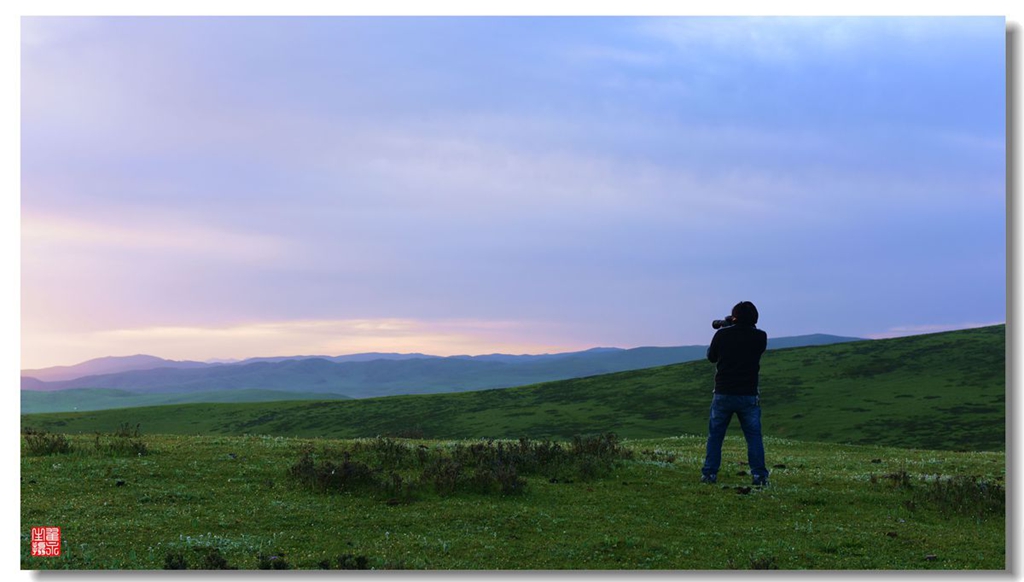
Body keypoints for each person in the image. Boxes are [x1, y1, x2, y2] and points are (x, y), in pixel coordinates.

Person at [700, 301, 769, 487]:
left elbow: (711, 357)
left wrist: (727, 328)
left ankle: (709, 474)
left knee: (715, 436)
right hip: (748, 394)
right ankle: (759, 476)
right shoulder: (760, 337)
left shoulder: (722, 335)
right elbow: (752, 344)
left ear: (734, 316)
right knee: (754, 437)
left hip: (723, 392)